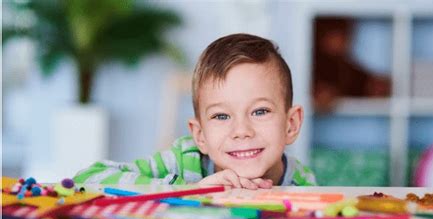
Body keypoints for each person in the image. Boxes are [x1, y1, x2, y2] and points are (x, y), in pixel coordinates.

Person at [74, 33, 316, 189]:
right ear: (200, 135)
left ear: (291, 124)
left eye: (260, 111)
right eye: (221, 116)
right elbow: (89, 178)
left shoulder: (302, 184)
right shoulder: (185, 160)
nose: (241, 131)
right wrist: (190, 191)